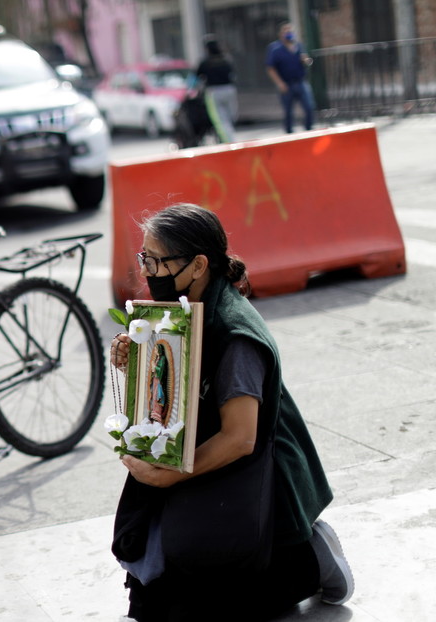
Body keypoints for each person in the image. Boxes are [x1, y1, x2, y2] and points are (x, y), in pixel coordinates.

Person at [110, 204, 351, 621]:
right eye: (143, 258)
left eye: (156, 260)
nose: (147, 271)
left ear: (198, 265)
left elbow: (240, 438)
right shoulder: (180, 313)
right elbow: (173, 382)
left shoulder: (235, 333)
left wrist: (172, 474)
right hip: (204, 458)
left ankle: (312, 557)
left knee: (207, 608)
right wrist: (137, 359)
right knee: (151, 602)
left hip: (257, 472)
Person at [265, 22, 315, 134]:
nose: (288, 33)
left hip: (300, 81)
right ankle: (289, 134)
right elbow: (270, 68)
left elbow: (307, 61)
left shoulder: (299, 46)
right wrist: (280, 83)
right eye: (286, 31)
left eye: (290, 31)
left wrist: (306, 61)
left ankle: (309, 131)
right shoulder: (275, 48)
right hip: (286, 84)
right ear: (281, 34)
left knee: (309, 107)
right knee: (288, 112)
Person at [196, 37, 238, 143]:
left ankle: (228, 141)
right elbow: (233, 74)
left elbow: (197, 76)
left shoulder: (205, 62)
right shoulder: (226, 59)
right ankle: (230, 136)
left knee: (220, 120)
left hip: (214, 91)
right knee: (230, 117)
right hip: (229, 89)